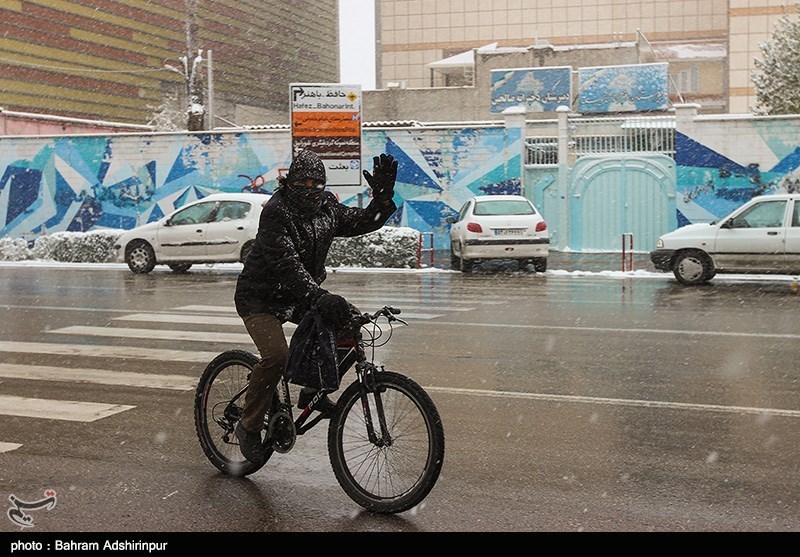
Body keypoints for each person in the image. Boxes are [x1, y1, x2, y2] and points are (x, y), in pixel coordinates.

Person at [233, 149, 399, 463]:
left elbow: (363, 221)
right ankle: (248, 425)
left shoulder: (328, 209)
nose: (310, 187)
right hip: (260, 297)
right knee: (276, 356)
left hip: (298, 294)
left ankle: (312, 389)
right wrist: (319, 297)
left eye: (316, 182)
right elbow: (287, 265)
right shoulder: (276, 211)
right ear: (289, 181)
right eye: (303, 181)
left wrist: (382, 198)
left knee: (350, 325)